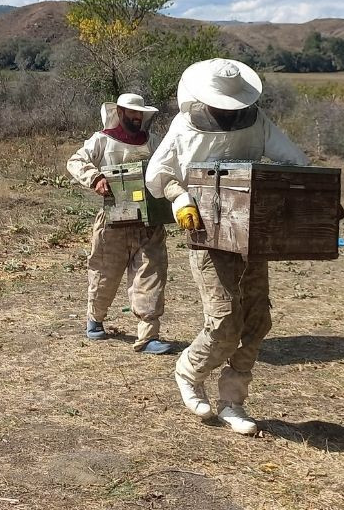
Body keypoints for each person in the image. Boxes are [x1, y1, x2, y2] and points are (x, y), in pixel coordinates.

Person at [146, 58, 323, 435]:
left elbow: (295, 160)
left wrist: (301, 194)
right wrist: (180, 198)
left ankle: (233, 400)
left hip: (250, 233)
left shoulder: (256, 120)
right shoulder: (184, 124)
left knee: (257, 321)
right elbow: (157, 175)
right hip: (207, 234)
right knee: (225, 320)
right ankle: (189, 371)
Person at [66, 93, 173, 355]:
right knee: (104, 272)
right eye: (131, 113)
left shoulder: (153, 142)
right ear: (121, 112)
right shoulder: (101, 140)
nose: (137, 117)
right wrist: (95, 178)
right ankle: (95, 320)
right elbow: (75, 161)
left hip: (149, 222)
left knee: (151, 275)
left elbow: (169, 166)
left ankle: (148, 336)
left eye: (140, 113)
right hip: (113, 221)